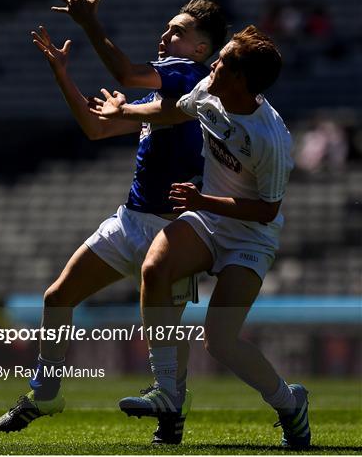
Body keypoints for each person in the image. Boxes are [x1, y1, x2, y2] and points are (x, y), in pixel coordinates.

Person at [0, 0, 227, 446]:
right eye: (166, 28)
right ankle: (44, 393)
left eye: (177, 31)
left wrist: (90, 21)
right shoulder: (165, 92)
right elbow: (97, 130)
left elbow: (123, 73)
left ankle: (171, 410)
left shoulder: (188, 75)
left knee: (166, 327)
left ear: (201, 48)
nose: (166, 36)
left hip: (174, 228)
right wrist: (64, 75)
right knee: (57, 298)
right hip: (131, 219)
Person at [90, 25, 311, 449]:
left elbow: (267, 211)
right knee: (155, 268)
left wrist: (202, 199)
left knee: (220, 341)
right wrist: (123, 113)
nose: (213, 65)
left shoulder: (271, 138)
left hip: (250, 237)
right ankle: (168, 392)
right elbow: (172, 112)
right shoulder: (210, 89)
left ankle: (290, 403)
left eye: (224, 61)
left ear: (242, 80)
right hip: (208, 219)